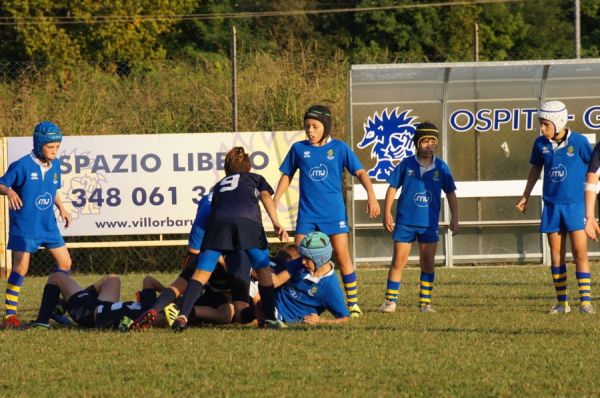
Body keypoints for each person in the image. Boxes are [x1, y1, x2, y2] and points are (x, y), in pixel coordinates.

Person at [158, 146, 287, 331]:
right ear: (248, 168)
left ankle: (183, 315)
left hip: (218, 224)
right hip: (248, 222)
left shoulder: (218, 186)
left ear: (227, 170)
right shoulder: (255, 178)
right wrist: (276, 222)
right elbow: (266, 196)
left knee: (202, 273)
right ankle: (270, 317)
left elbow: (216, 210)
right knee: (263, 269)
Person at [273, 104, 380, 318]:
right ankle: (297, 302)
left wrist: (371, 195)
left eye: (314, 126)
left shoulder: (339, 148)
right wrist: (275, 200)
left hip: (334, 214)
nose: (310, 131)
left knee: (342, 256)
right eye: (307, 126)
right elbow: (287, 175)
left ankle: (354, 304)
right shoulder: (298, 149)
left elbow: (360, 172)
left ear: (326, 127)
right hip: (308, 214)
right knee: (299, 256)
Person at [516, 100, 594, 315]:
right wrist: (526, 195)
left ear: (559, 122)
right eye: (541, 124)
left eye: (545, 124)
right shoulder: (540, 143)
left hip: (575, 206)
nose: (542, 128)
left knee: (580, 253)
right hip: (551, 206)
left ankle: (586, 302)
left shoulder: (578, 142)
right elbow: (535, 169)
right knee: (556, 255)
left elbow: (593, 168)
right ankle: (562, 303)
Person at [0, 121, 73, 329]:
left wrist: (62, 208)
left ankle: (54, 309)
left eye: (57, 147)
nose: (54, 151)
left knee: (65, 263)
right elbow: (1, 183)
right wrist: (10, 191)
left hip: (48, 225)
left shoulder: (56, 165)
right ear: (39, 144)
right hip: (25, 226)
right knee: (21, 268)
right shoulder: (22, 165)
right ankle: (10, 315)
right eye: (50, 147)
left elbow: (53, 189)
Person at [380, 122, 459, 314]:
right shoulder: (406, 164)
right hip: (405, 222)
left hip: (428, 224)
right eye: (425, 141)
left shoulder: (441, 167)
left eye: (433, 141)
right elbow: (392, 188)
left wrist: (455, 217)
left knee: (428, 263)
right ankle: (390, 301)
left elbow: (450, 192)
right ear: (417, 143)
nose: (429, 145)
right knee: (399, 261)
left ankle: (425, 303)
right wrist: (387, 212)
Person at [251, 232, 349, 325]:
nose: (302, 262)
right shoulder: (302, 263)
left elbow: (345, 318)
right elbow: (276, 281)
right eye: (302, 257)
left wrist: (321, 321)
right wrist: (258, 273)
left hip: (279, 316)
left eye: (307, 258)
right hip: (269, 301)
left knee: (245, 316)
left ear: (320, 260)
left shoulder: (330, 287)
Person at [22, 273, 144, 330]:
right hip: (105, 307)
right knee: (113, 279)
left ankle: (42, 322)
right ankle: (62, 305)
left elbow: (150, 282)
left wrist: (161, 291)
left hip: (89, 312)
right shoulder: (155, 306)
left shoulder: (154, 310)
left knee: (56, 277)